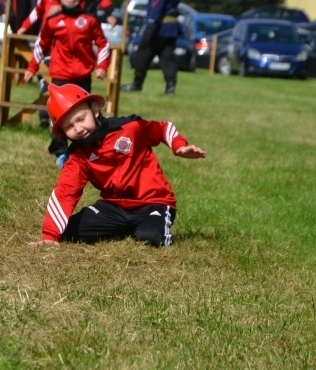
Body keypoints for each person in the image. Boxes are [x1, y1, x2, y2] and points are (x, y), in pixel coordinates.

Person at [29, 83, 207, 247]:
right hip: (114, 207)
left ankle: (146, 226)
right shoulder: (78, 155)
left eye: (81, 119)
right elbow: (65, 192)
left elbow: (163, 128)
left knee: (149, 238)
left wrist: (179, 146)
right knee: (67, 232)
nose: (78, 129)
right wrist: (49, 236)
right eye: (69, 126)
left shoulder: (129, 127)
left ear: (95, 109)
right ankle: (123, 227)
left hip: (152, 203)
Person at [23, 0, 111, 167]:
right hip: (60, 76)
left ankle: (91, 152)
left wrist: (102, 65)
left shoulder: (89, 20)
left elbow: (103, 43)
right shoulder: (53, 21)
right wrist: (32, 67)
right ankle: (61, 152)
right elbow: (42, 45)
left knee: (88, 115)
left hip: (82, 77)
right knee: (60, 116)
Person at [122, 0, 182, 94]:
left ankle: (137, 84)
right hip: (171, 28)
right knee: (167, 58)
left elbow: (156, 6)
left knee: (142, 54)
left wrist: (150, 27)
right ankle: (170, 87)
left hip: (159, 28)